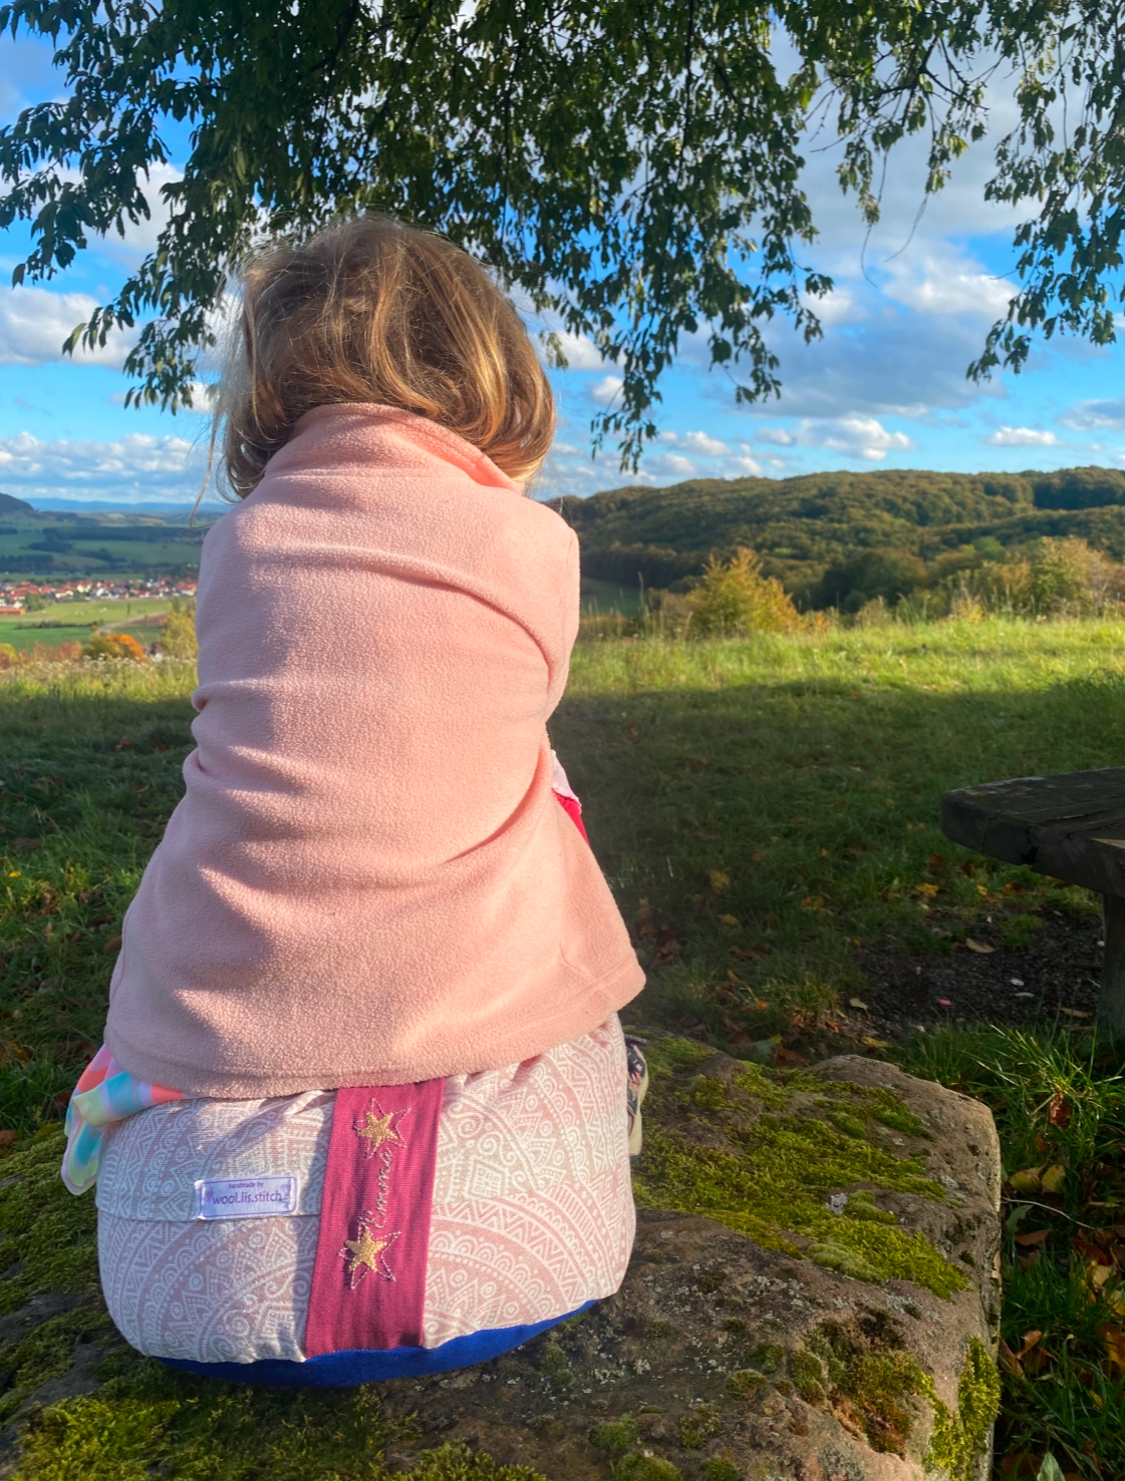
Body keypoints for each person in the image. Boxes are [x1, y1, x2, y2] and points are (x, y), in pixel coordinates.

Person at [60, 216, 647, 1387]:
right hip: (530, 1239)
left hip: (182, 1262)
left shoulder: (239, 547)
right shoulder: (537, 546)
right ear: (495, 374)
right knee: (536, 772)